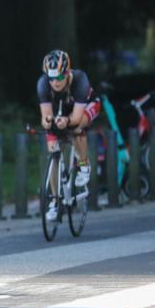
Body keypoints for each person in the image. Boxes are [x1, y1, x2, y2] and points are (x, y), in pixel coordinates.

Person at [37, 49, 99, 221]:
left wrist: (67, 121)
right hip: (62, 109)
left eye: (59, 77)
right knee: (52, 148)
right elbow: (45, 117)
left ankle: (83, 164)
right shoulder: (42, 84)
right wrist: (49, 121)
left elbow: (76, 118)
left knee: (76, 128)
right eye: (51, 78)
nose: (55, 82)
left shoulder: (80, 80)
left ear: (67, 72)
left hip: (86, 106)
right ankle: (55, 201)